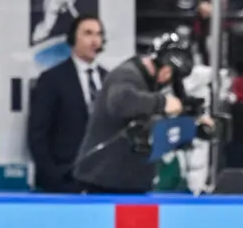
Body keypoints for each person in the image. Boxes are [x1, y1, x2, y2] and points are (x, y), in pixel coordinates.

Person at [71, 33, 189, 194]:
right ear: (166, 68)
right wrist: (162, 102)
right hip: (103, 182)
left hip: (128, 181)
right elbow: (121, 102)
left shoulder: (147, 82)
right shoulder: (127, 74)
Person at [28, 15, 108, 192]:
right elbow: (37, 133)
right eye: (88, 33)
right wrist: (52, 176)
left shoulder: (109, 79)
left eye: (98, 34)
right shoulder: (52, 79)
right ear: (73, 39)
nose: (94, 40)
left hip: (103, 181)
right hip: (64, 179)